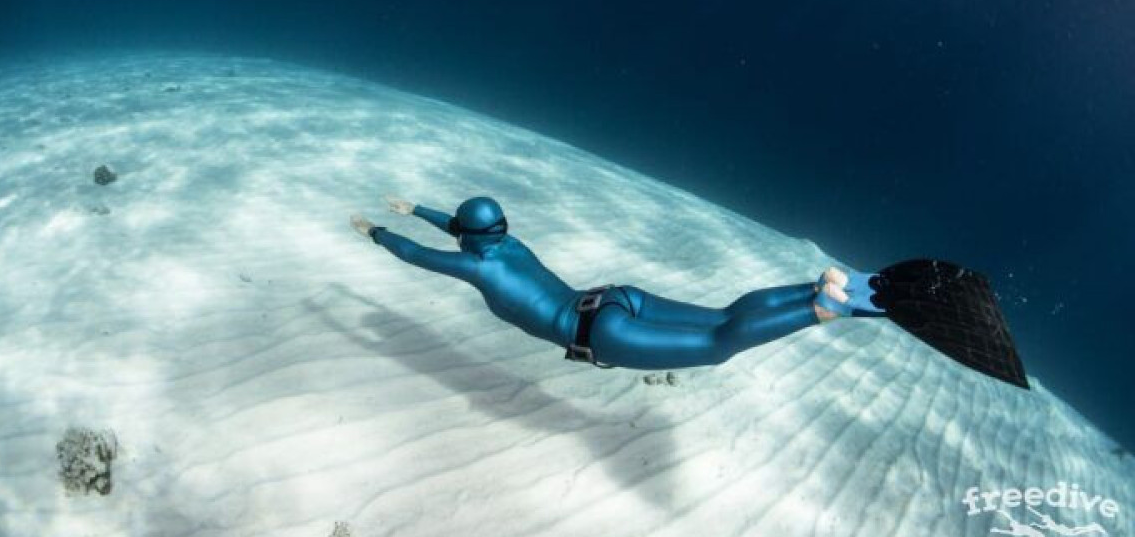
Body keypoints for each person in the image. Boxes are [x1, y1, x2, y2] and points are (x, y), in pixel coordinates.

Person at [349, 196, 886, 370]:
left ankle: (821, 309)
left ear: (467, 235)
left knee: (717, 346)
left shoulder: (476, 265)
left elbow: (418, 254)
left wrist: (377, 231)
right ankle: (819, 285)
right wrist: (418, 207)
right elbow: (463, 229)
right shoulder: (508, 244)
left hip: (598, 334)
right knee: (724, 315)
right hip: (613, 297)